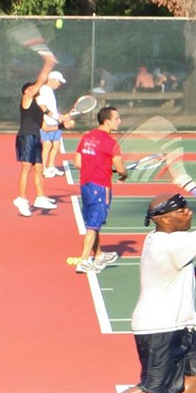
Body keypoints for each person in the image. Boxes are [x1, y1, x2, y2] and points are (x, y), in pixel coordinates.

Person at [59, 186, 196, 393]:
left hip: (184, 323)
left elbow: (176, 270)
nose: (188, 212)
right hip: (159, 326)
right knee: (153, 387)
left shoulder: (159, 240)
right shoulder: (171, 242)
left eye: (188, 207)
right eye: (181, 209)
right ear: (163, 218)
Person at [69, 106, 126, 273]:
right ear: (107, 121)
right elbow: (121, 169)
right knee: (93, 226)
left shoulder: (87, 137)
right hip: (100, 187)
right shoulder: (111, 142)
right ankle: (84, 261)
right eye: (117, 118)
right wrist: (123, 174)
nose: (119, 121)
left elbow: (78, 163)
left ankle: (99, 254)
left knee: (93, 223)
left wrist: (102, 165)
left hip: (85, 186)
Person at [12, 54, 58, 216]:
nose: (36, 88)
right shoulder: (26, 99)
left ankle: (39, 197)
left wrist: (62, 125)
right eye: (32, 87)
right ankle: (21, 199)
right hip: (26, 137)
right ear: (27, 91)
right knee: (26, 168)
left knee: (39, 168)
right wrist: (48, 63)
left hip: (35, 137)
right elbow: (42, 79)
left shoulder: (38, 109)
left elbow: (45, 127)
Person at [37, 70, 70, 177]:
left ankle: (51, 166)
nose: (59, 84)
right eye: (58, 82)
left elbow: (52, 109)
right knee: (47, 144)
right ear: (52, 80)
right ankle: (42, 168)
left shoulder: (50, 91)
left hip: (54, 122)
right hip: (46, 122)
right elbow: (43, 108)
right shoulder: (43, 90)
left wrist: (61, 116)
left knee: (56, 144)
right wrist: (57, 116)